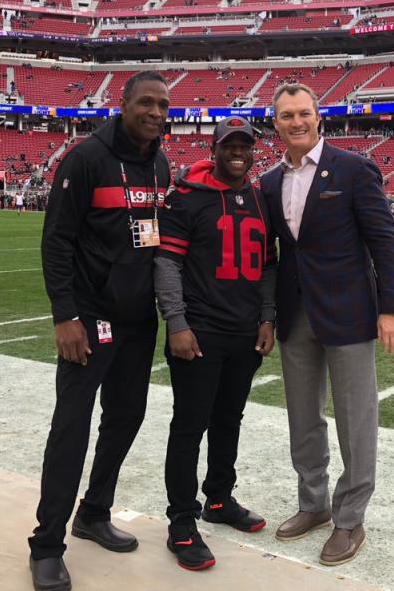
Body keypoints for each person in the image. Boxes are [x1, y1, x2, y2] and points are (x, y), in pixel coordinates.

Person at [28, 71, 171, 591]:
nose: (156, 113)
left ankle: (93, 511)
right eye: (147, 103)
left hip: (138, 320)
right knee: (72, 426)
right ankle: (46, 543)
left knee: (126, 418)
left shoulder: (159, 160)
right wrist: (64, 316)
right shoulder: (86, 158)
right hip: (89, 317)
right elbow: (56, 240)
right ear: (124, 104)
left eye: (163, 105)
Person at [260, 83, 394, 567]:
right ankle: (314, 503)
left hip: (349, 313)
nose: (296, 122)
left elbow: (384, 243)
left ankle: (350, 518)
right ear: (275, 123)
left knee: (355, 419)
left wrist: (391, 309)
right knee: (303, 417)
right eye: (286, 115)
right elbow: (277, 255)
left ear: (318, 118)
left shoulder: (354, 168)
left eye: (303, 113)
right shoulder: (269, 181)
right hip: (295, 314)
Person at [154, 117, 277, 571]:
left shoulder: (261, 198)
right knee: (189, 427)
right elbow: (166, 264)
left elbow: (268, 265)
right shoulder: (187, 198)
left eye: (245, 145)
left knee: (229, 420)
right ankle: (181, 522)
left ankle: (219, 499)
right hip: (200, 331)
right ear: (215, 148)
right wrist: (177, 323)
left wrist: (267, 317)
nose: (238, 152)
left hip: (245, 332)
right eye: (230, 145)